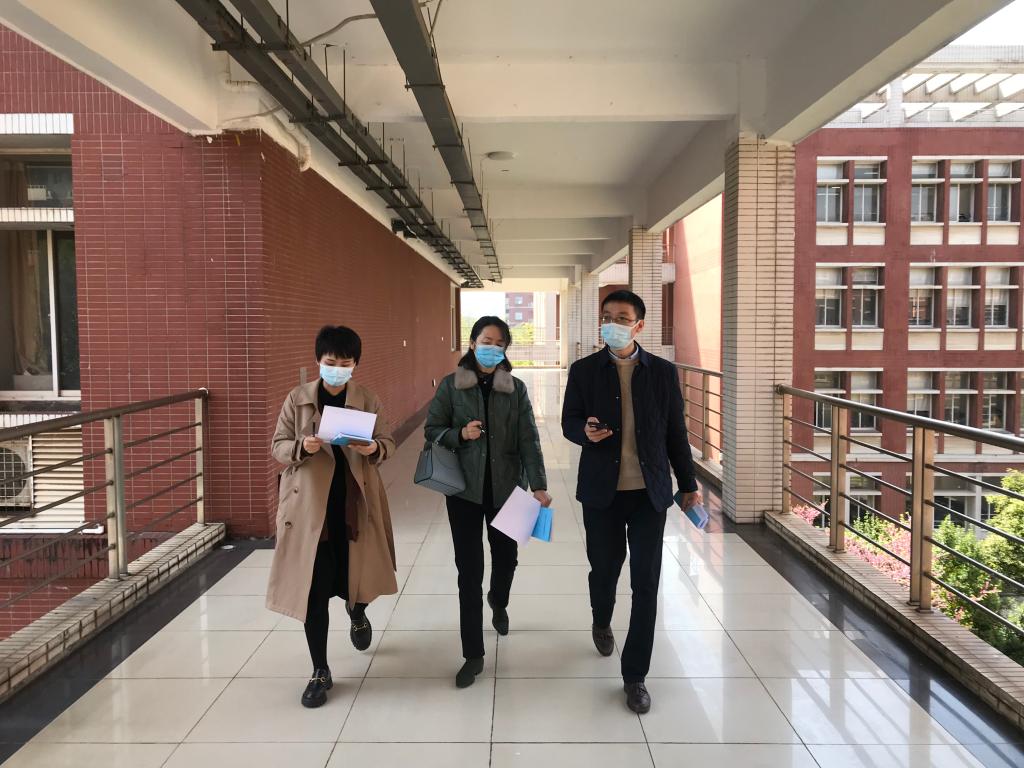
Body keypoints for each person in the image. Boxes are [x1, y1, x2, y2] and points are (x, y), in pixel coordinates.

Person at [561, 290, 702, 715]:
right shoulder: (584, 370)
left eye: (622, 317)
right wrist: (585, 432)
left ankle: (635, 676)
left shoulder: (662, 372)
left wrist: (689, 483)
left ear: (639, 325)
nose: (613, 324)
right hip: (601, 494)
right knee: (604, 572)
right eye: (607, 316)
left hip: (649, 494)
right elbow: (569, 421)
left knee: (646, 583)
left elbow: (675, 432)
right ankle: (601, 618)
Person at [267, 325, 398, 709]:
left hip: (353, 505)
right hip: (311, 511)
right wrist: (301, 447)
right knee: (313, 591)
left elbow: (387, 443)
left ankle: (357, 614)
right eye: (330, 362)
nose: (337, 369)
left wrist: (373, 447)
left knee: (356, 579)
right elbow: (278, 446)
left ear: (355, 364)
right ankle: (320, 670)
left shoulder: (367, 400)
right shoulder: (298, 400)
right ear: (318, 362)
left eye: (345, 363)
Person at [424, 316, 551, 689]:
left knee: (507, 559)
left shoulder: (516, 389)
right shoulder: (451, 386)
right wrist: (460, 434)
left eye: (499, 343)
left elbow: (529, 438)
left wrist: (539, 485)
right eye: (486, 340)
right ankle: (473, 654)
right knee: (469, 572)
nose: (492, 348)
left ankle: (499, 600)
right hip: (463, 491)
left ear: (505, 348)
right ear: (472, 343)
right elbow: (432, 431)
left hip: (509, 489)